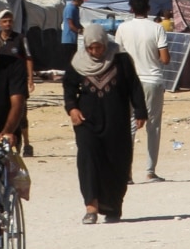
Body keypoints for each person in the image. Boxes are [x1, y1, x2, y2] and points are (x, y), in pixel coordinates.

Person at [63, 24, 147, 224]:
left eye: (98, 47)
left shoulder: (120, 59)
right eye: (91, 48)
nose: (95, 52)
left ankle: (112, 206)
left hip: (116, 121)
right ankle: (91, 207)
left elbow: (134, 86)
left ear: (104, 43)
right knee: (88, 160)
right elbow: (68, 87)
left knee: (117, 160)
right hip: (87, 122)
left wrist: (140, 110)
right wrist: (72, 108)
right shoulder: (78, 62)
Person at [115, 0, 170, 183]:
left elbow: (117, 58)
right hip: (152, 80)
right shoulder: (157, 29)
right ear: (148, 8)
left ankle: (126, 173)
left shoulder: (122, 28)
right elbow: (165, 59)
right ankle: (150, 170)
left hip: (129, 82)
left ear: (131, 8)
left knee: (129, 127)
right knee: (153, 127)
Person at [0, 8, 35, 157]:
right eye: (5, 21)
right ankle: (6, 141)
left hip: (18, 82)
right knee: (3, 112)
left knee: (21, 113)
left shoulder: (20, 39)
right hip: (1, 83)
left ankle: (26, 143)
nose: (8, 24)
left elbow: (29, 58)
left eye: (10, 21)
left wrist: (30, 79)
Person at [61, 0, 88, 68]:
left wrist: (85, 29)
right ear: (78, 0)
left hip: (73, 39)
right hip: (68, 39)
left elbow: (77, 23)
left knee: (74, 59)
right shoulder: (70, 8)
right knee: (68, 60)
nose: (83, 2)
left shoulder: (76, 9)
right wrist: (79, 31)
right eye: (82, 0)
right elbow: (71, 25)